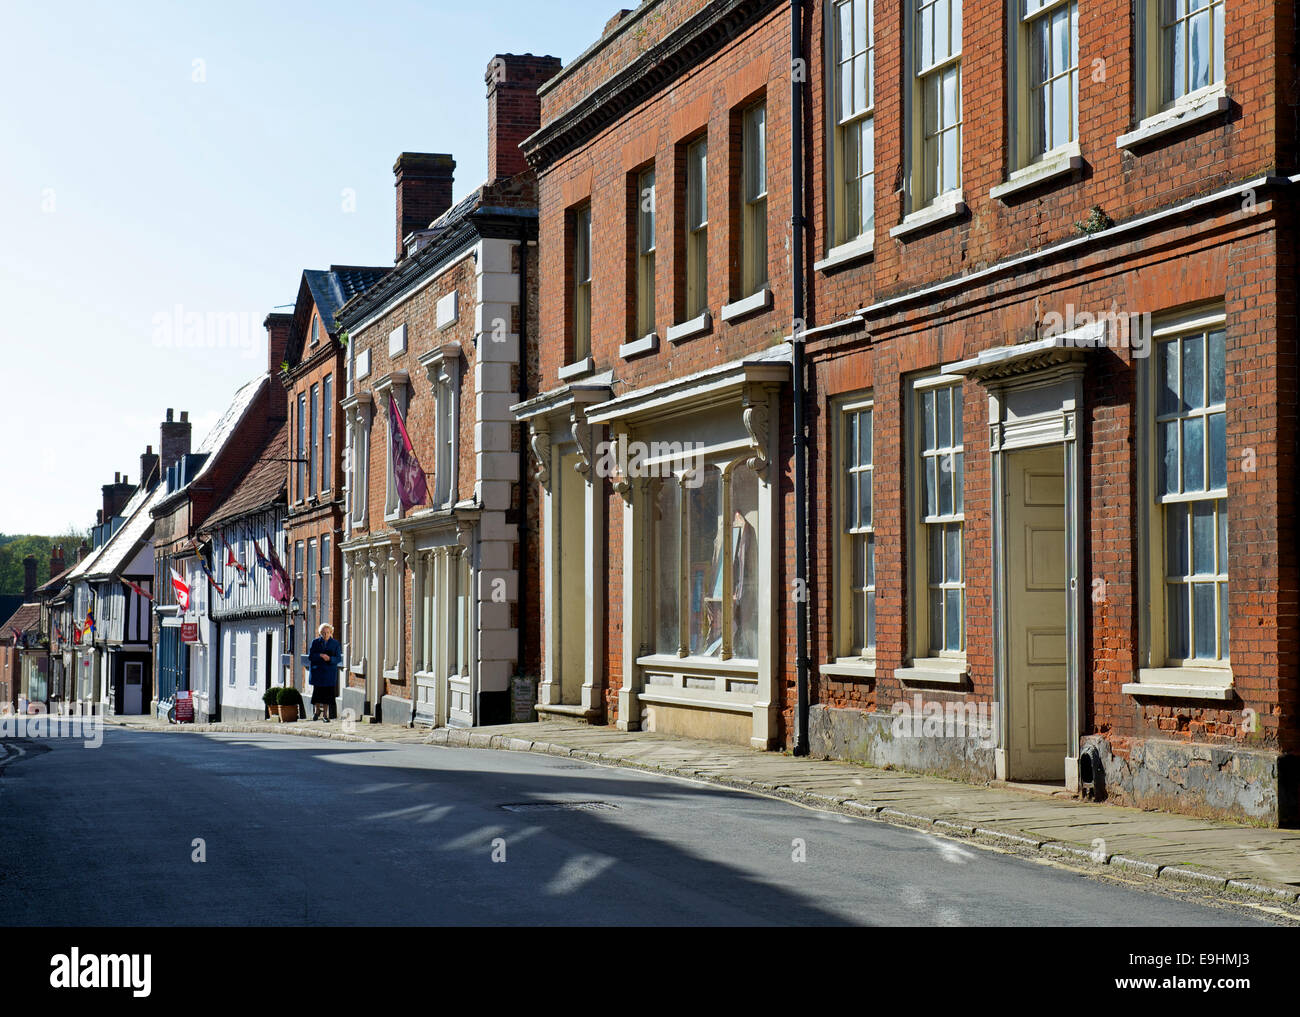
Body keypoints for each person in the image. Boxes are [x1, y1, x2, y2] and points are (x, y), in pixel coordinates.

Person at [307, 623, 342, 722]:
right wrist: (320, 655)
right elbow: (311, 656)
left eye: (327, 632)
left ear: (331, 633)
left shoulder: (335, 644)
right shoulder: (315, 642)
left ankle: (325, 715)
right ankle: (317, 711)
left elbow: (338, 658)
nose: (325, 634)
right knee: (317, 694)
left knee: (327, 695)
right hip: (318, 672)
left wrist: (330, 658)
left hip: (329, 673)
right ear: (320, 633)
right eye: (323, 633)